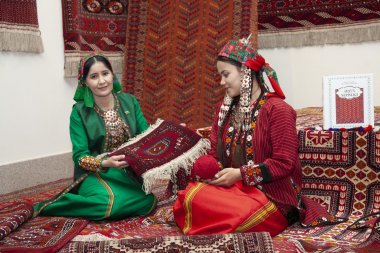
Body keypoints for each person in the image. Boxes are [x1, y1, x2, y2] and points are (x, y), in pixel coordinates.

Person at [173, 36, 345, 236]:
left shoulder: (278, 110)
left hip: (272, 196)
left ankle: (224, 217)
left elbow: (284, 163)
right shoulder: (224, 109)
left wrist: (240, 174)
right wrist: (211, 169)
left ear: (246, 72)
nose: (221, 82)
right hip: (235, 190)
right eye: (220, 75)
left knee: (240, 213)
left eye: (226, 74)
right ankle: (218, 215)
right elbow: (214, 153)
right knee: (190, 197)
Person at [34, 54, 157, 220]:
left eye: (105, 73)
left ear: (112, 74)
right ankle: (58, 204)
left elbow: (147, 136)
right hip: (93, 174)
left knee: (148, 202)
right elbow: (79, 157)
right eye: (94, 76)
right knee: (108, 205)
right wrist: (105, 163)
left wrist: (171, 132)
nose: (102, 81)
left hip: (126, 174)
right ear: (84, 82)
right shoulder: (79, 112)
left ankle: (118, 200)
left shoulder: (130, 101)